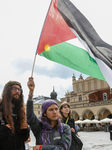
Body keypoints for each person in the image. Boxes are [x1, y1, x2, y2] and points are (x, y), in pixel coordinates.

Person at [27, 77, 71, 150]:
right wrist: (31, 92)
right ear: (44, 113)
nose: (55, 112)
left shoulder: (65, 128)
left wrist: (41, 147)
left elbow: (64, 148)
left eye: (56, 109)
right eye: (51, 110)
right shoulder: (39, 127)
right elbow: (30, 115)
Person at [0, 81, 29, 150]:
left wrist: (25, 129)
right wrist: (4, 130)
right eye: (14, 89)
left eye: (19, 89)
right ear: (7, 91)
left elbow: (25, 138)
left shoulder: (20, 111)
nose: (18, 91)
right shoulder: (0, 109)